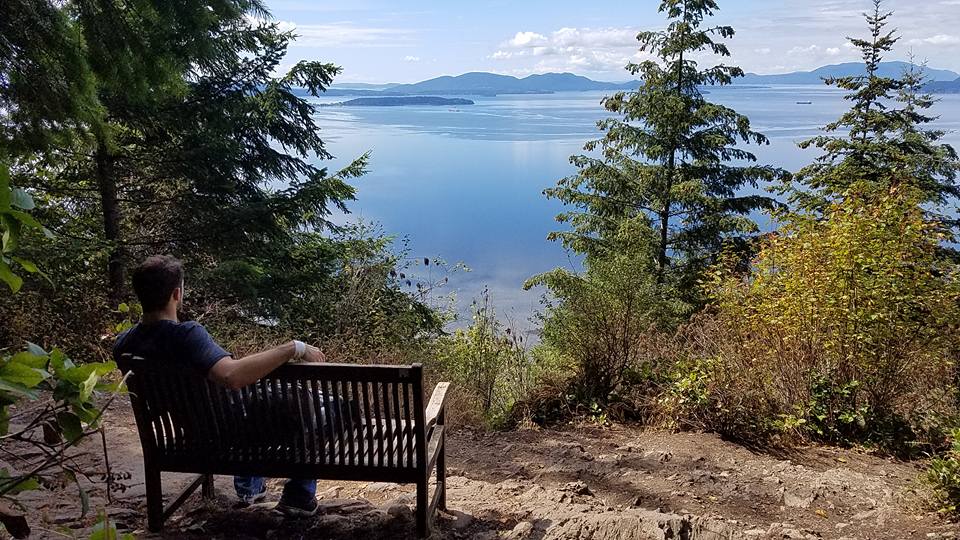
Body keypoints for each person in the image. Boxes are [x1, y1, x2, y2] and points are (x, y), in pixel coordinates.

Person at [113, 254, 324, 517]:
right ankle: (299, 495)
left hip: (193, 434)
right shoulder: (186, 334)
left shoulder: (124, 345)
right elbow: (231, 376)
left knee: (267, 406)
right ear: (177, 294)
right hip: (229, 438)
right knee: (316, 411)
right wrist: (294, 347)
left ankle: (252, 490)